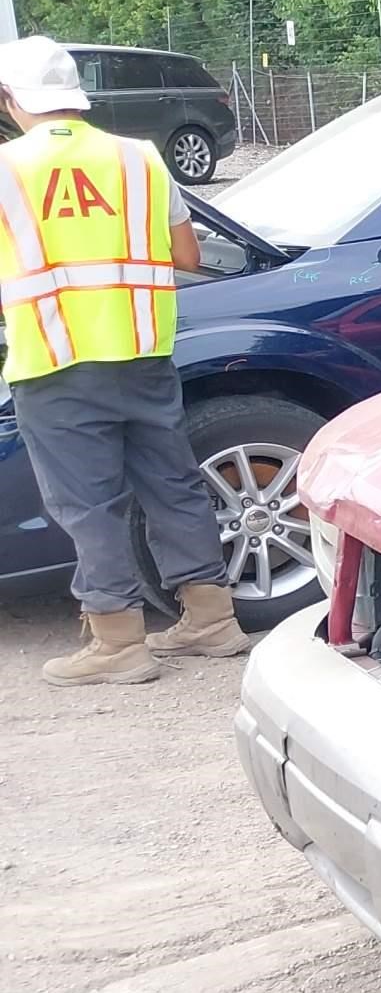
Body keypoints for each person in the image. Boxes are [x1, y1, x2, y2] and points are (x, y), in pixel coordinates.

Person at [0, 35, 247, 684]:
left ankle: (117, 642)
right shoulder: (139, 159)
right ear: (75, 99)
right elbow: (188, 256)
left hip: (54, 360)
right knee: (172, 484)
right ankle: (213, 620)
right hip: (142, 351)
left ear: (10, 100)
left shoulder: (5, 169)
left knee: (89, 503)